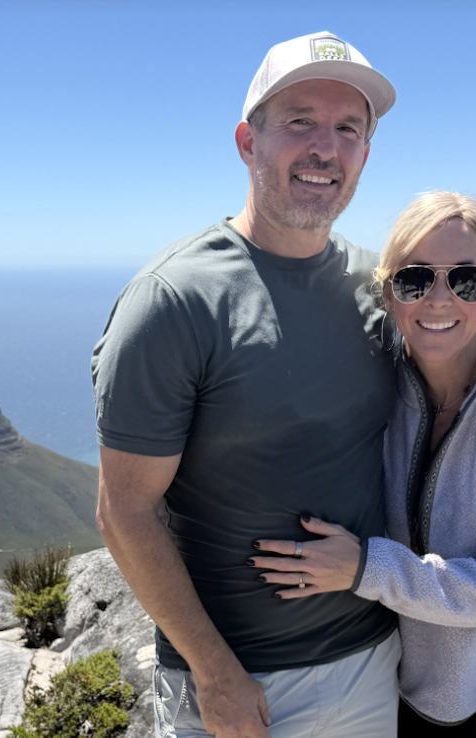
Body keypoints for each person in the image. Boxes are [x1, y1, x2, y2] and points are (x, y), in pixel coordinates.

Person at [92, 32, 402, 738]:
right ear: (246, 141)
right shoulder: (175, 298)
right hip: (241, 685)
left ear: (364, 155)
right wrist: (214, 673)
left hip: (373, 661)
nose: (325, 147)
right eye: (300, 122)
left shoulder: (378, 284)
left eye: (348, 129)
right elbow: (124, 510)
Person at [252, 191, 476, 737]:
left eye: (467, 280)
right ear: (389, 293)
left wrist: (367, 568)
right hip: (423, 675)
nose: (439, 299)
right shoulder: (371, 392)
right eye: (415, 279)